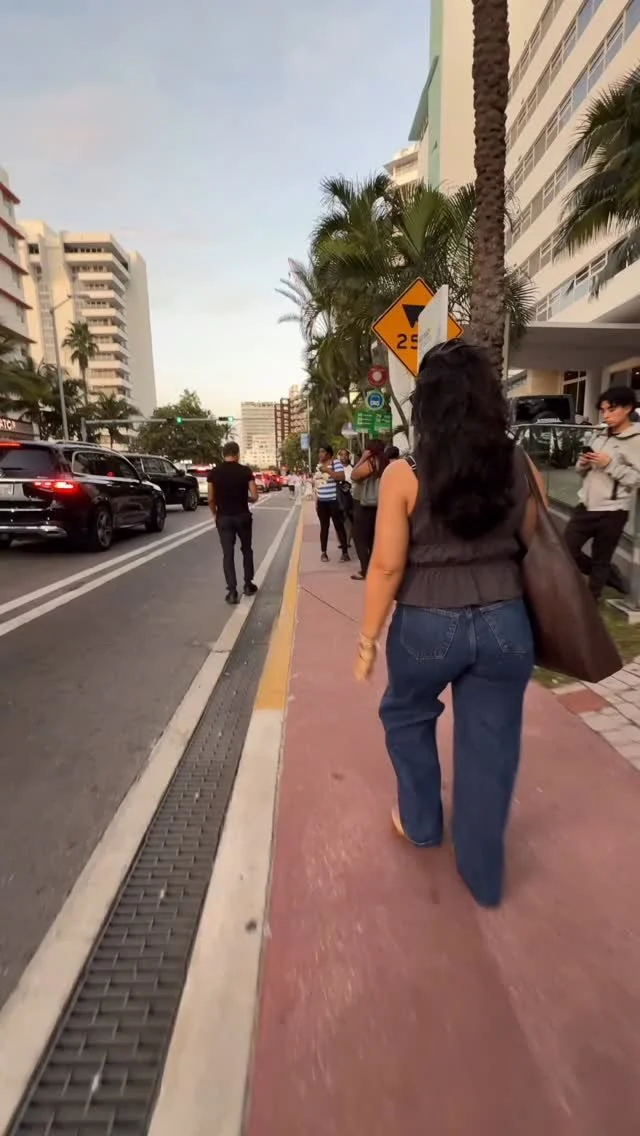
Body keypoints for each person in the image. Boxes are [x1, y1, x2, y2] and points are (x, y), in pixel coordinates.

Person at [354, 339, 545, 908]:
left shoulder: (404, 474)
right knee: (491, 743)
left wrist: (367, 639)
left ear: (427, 406)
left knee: (406, 714)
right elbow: (533, 542)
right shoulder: (519, 464)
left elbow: (386, 565)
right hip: (505, 621)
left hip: (426, 625)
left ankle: (420, 823)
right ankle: (483, 875)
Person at [565, 386, 640, 601]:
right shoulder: (599, 435)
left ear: (628, 408)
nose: (606, 415)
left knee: (601, 559)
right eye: (603, 410)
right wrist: (582, 463)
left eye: (611, 410)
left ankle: (592, 601)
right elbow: (582, 472)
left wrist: (609, 464)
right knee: (565, 550)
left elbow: (637, 479)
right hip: (586, 506)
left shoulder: (636, 440)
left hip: (613, 511)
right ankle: (610, 576)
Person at [207, 442, 259, 605]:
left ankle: (232, 592)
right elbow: (255, 496)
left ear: (223, 454)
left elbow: (210, 498)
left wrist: (215, 513)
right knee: (247, 550)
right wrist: (244, 498)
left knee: (228, 554)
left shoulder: (214, 473)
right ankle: (248, 584)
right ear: (237, 454)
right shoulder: (245, 471)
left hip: (224, 518)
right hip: (242, 517)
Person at [350, 440, 388, 580]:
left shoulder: (371, 463)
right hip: (379, 505)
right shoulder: (386, 463)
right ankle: (375, 568)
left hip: (365, 505)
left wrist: (362, 458)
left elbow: (354, 475)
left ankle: (366, 570)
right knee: (373, 538)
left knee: (358, 537)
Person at [313, 445, 350, 563]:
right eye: (319, 452)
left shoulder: (335, 463)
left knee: (339, 526)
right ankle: (323, 553)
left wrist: (328, 470)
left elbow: (341, 476)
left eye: (322, 451)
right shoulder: (318, 466)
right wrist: (316, 500)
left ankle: (345, 553)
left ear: (328, 454)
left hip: (334, 501)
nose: (320, 454)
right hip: (322, 502)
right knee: (324, 527)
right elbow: (318, 484)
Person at [337, 447, 355, 548]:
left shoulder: (352, 468)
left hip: (349, 497)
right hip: (338, 497)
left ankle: (347, 542)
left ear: (349, 456)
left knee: (348, 520)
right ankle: (341, 542)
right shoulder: (335, 468)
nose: (343, 456)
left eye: (345, 454)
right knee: (339, 521)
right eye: (341, 454)